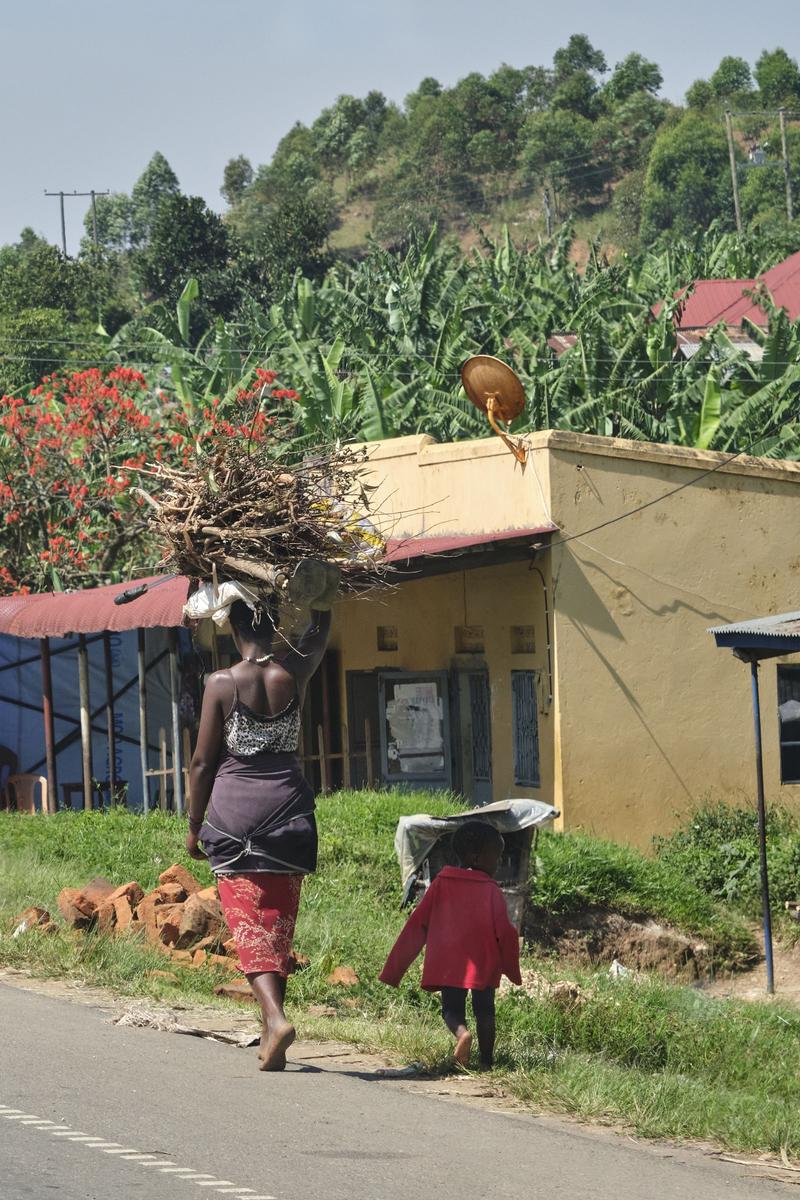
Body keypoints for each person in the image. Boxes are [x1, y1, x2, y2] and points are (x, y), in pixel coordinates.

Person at [186, 562, 339, 1072]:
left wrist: (192, 825)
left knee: (249, 926)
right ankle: (269, 1026)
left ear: (232, 626)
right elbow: (320, 628)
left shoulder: (222, 683)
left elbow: (204, 762)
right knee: (276, 922)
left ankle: (275, 1019)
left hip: (236, 822)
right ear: (274, 624)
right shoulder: (293, 673)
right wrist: (318, 590)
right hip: (293, 816)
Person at [379, 821, 521, 1070]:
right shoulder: (491, 890)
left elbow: (417, 926)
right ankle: (487, 1062)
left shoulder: (441, 884)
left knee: (451, 1009)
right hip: (483, 964)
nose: (498, 864)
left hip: (448, 963)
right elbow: (506, 933)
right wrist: (511, 968)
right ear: (476, 857)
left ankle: (462, 1035)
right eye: (495, 858)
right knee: (485, 1011)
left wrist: (394, 970)